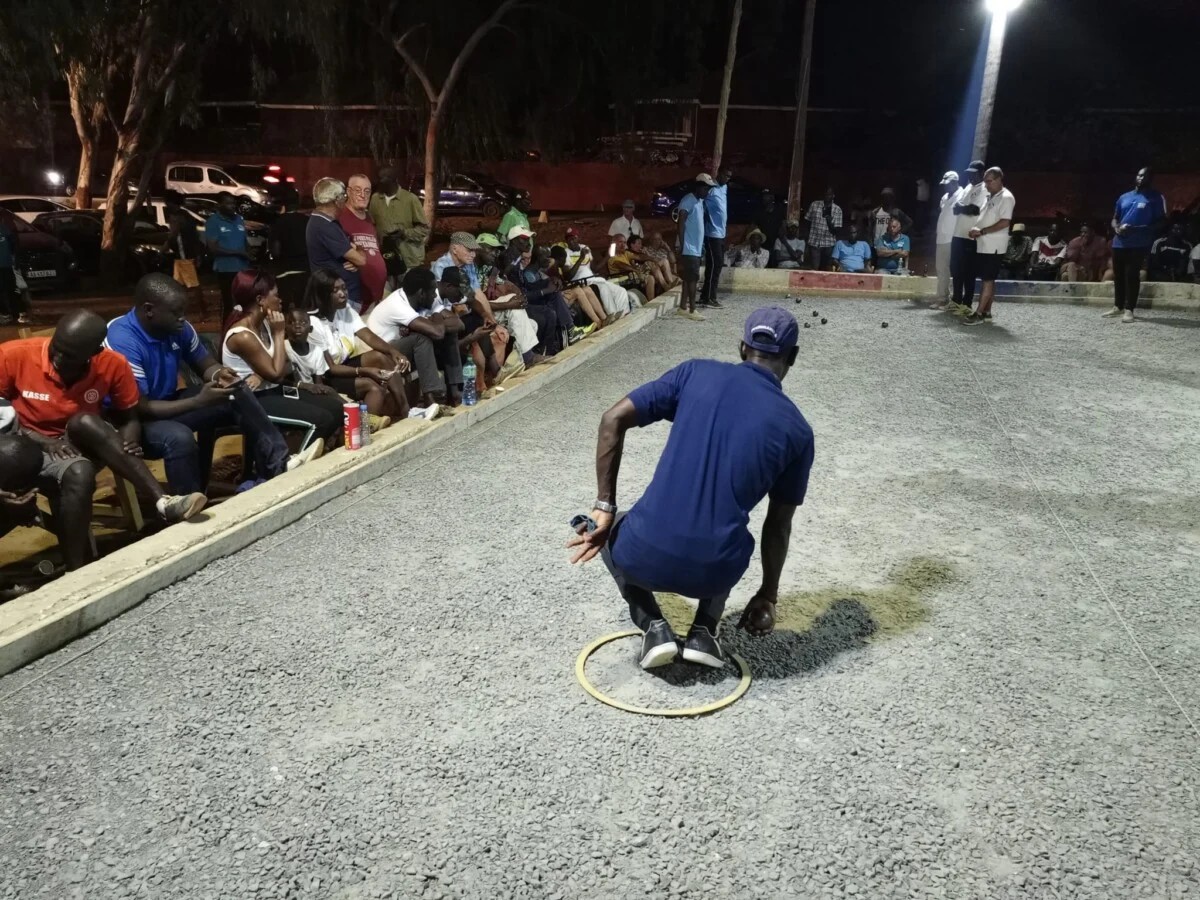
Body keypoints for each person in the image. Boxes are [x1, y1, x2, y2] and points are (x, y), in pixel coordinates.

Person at [566, 307, 814, 669]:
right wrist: (768, 595)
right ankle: (704, 630)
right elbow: (778, 525)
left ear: (743, 347)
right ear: (792, 356)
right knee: (734, 534)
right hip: (715, 571)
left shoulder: (695, 372)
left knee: (599, 529)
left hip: (643, 554)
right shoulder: (798, 431)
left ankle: (653, 626)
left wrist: (605, 503)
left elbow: (613, 418)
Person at [0, 311, 208, 569]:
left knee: (82, 455)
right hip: (21, 444)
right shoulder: (13, 355)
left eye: (70, 355)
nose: (58, 358)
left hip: (74, 446)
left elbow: (129, 416)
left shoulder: (112, 364)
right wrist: (40, 440)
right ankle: (78, 564)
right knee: (39, 458)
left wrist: (130, 439)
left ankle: (161, 505)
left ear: (94, 352)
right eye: (57, 348)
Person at [104, 273, 305, 496]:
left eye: (183, 311)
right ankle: (186, 505)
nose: (183, 317)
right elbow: (140, 407)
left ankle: (275, 464)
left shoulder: (177, 327)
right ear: (149, 309)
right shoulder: (123, 340)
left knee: (236, 390)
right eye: (176, 313)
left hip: (166, 403)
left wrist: (220, 374)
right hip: (131, 420)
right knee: (178, 437)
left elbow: (206, 365)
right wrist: (198, 401)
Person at [221, 270, 345, 445]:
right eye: (276, 296)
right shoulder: (243, 335)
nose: (280, 300)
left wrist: (260, 373)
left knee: (336, 407)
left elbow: (286, 361)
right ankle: (296, 463)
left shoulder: (265, 322)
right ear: (260, 300)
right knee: (321, 420)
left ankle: (319, 451)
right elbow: (277, 373)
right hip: (252, 400)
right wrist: (279, 333)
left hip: (272, 390)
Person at [300, 268, 414, 418]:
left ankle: (407, 411)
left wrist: (394, 352)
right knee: (373, 386)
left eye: (344, 288)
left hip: (345, 365)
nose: (343, 293)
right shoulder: (312, 324)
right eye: (336, 290)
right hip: (328, 376)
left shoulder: (344, 309)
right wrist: (365, 371)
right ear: (323, 294)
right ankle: (364, 427)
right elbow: (332, 368)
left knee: (380, 357)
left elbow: (368, 337)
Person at [366, 267, 461, 408]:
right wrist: (436, 315)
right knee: (421, 338)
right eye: (432, 292)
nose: (436, 296)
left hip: (402, 349)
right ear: (421, 293)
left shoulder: (422, 298)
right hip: (383, 354)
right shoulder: (398, 305)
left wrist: (432, 321)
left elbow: (458, 323)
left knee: (448, 335)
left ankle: (455, 392)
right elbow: (437, 332)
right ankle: (431, 399)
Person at [1104, 167, 1167, 323]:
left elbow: (1163, 221)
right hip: (1119, 242)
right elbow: (1115, 218)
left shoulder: (1156, 197)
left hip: (1139, 243)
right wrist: (1116, 228)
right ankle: (1118, 306)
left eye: (1145, 176)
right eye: (1139, 175)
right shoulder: (1124, 197)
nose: (1141, 178)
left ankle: (1129, 309)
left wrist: (1138, 229)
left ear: (1150, 179)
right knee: (1118, 275)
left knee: (1132, 275)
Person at [963, 167, 1016, 325]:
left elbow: (1005, 221)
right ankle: (986, 311)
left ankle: (978, 313)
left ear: (1000, 179)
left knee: (987, 279)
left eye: (989, 181)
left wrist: (983, 231)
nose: (986, 185)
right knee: (989, 279)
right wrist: (976, 230)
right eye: (985, 181)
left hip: (994, 245)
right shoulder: (992, 195)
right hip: (984, 243)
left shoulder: (1006, 197)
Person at [306, 177, 368, 311]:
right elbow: (361, 260)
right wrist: (359, 251)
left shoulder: (324, 222)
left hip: (339, 296)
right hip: (338, 299)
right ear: (337, 200)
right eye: (345, 196)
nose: (345, 201)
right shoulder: (325, 226)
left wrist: (356, 252)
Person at [368, 166, 430, 290]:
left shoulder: (410, 199)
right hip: (387, 258)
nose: (381, 181)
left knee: (408, 297)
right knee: (386, 297)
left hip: (409, 259)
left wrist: (404, 233)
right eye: (379, 178)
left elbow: (424, 229)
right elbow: (371, 225)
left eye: (385, 178)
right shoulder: (375, 199)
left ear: (394, 180)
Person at [339, 174, 388, 312]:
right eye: (357, 190)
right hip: (353, 299)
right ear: (348, 192)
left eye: (367, 191)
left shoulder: (369, 218)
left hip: (374, 298)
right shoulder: (340, 216)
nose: (363, 195)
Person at [560, 228, 633, 320]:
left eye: (574, 238)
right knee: (604, 288)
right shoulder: (566, 253)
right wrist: (581, 258)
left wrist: (608, 256)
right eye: (569, 239)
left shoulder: (585, 248)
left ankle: (623, 314)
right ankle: (612, 315)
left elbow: (595, 268)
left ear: (578, 238)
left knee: (621, 291)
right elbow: (568, 276)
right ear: (566, 240)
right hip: (580, 281)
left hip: (593, 278)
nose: (572, 241)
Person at [204, 192, 252, 320]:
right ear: (219, 205)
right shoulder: (213, 222)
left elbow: (243, 240)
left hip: (243, 268)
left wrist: (249, 253)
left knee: (245, 302)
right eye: (228, 203)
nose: (232, 206)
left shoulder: (239, 219)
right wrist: (237, 253)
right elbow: (213, 248)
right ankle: (227, 331)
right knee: (229, 304)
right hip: (226, 269)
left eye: (233, 203)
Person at [949, 161, 987, 314]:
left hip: (970, 236)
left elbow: (975, 209)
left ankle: (967, 303)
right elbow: (957, 208)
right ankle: (956, 300)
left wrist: (961, 208)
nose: (971, 176)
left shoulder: (984, 189)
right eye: (970, 174)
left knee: (968, 272)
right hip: (958, 234)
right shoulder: (968, 187)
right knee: (956, 269)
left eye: (974, 173)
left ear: (982, 173)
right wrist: (961, 208)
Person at [675, 175, 713, 320]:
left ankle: (683, 307)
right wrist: (683, 245)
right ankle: (692, 310)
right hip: (689, 248)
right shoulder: (688, 200)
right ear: (698, 186)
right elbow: (681, 223)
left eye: (708, 189)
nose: (707, 191)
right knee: (693, 279)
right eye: (705, 188)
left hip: (695, 248)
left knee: (688, 279)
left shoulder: (699, 201)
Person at [699, 166, 732, 308]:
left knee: (714, 265)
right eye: (726, 175)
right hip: (712, 233)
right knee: (715, 264)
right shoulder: (711, 189)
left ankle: (706, 296)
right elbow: (701, 204)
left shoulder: (724, 188)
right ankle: (710, 297)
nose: (727, 178)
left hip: (721, 233)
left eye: (730, 176)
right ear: (719, 173)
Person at [930, 171, 960, 309]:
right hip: (941, 237)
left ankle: (954, 300)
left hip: (953, 237)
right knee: (941, 269)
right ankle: (941, 298)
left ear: (955, 182)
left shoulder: (963, 195)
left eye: (948, 184)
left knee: (954, 269)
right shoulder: (944, 197)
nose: (945, 187)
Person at [804, 187, 843, 271]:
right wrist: (807, 237)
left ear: (833, 196)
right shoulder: (814, 205)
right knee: (814, 269)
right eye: (825, 194)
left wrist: (829, 223)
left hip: (829, 244)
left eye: (829, 194)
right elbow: (807, 221)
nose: (827, 196)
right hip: (814, 242)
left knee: (826, 269)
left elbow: (836, 231)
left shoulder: (837, 210)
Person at [753, 190, 786, 261]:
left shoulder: (779, 210)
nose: (763, 198)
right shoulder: (759, 211)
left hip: (776, 243)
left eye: (766, 196)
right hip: (763, 243)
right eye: (763, 196)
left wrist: (782, 238)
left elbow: (783, 225)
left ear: (772, 198)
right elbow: (754, 226)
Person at [0, 214, 20, 326]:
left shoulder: (4, 229)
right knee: (9, 290)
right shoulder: (4, 229)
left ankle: (8, 314)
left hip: (5, 265)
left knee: (8, 290)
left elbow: (13, 244)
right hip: (6, 265)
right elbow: (13, 244)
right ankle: (12, 313)